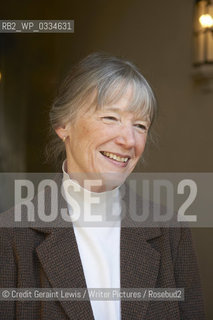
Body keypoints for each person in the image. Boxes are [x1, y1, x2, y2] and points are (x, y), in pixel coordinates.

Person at [0, 52, 205, 319]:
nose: (128, 140)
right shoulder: (10, 236)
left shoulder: (170, 231)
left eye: (140, 125)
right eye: (111, 118)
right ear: (63, 125)